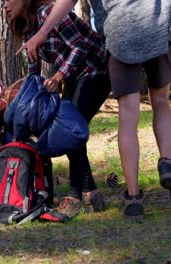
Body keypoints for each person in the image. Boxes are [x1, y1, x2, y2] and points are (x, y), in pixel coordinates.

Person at [18, 0, 171, 222]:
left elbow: (70, 8)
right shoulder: (27, 27)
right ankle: (166, 161)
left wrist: (44, 33)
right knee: (159, 100)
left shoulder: (46, 16)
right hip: (157, 24)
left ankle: (133, 198)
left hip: (115, 41)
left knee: (127, 114)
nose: (4, 5)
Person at [2, 0, 111, 219]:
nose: (4, 5)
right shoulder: (28, 30)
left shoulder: (50, 13)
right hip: (74, 77)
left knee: (69, 128)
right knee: (67, 131)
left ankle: (74, 196)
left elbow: (80, 46)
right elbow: (34, 73)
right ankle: (91, 190)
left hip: (95, 72)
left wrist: (59, 75)